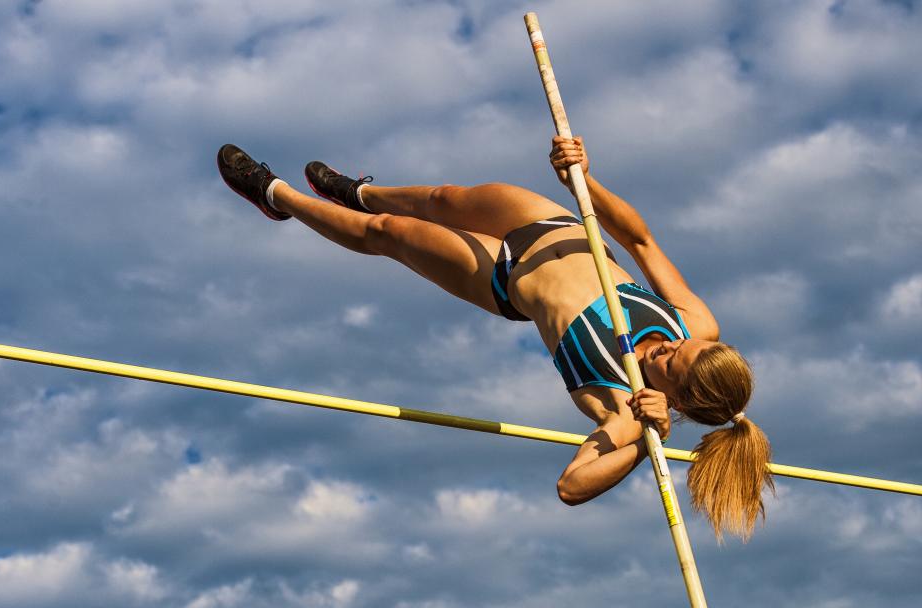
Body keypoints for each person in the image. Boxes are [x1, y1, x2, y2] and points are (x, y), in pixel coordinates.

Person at [217, 137, 773, 538]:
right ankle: (361, 191)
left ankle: (276, 195)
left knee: (388, 235)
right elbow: (642, 241)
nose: (674, 346)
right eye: (687, 346)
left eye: (674, 362)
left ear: (678, 396)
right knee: (442, 197)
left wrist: (647, 438)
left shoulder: (625, 411)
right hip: (558, 226)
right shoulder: (697, 325)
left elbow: (572, 487)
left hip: (504, 278)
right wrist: (583, 181)